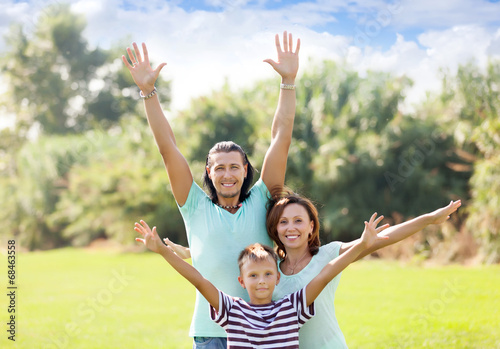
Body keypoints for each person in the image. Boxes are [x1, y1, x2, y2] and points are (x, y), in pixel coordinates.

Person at [122, 31, 300, 348]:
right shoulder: (194, 205)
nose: (227, 174)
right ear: (209, 172)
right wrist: (148, 92)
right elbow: (167, 148)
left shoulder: (261, 198)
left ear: (246, 170)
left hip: (261, 329)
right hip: (210, 334)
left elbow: (281, 139)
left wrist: (287, 83)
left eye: (235, 166)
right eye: (219, 167)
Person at [134, 212, 390, 348]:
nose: (261, 281)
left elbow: (325, 274)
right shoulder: (232, 310)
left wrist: (362, 246)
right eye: (253, 276)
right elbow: (199, 281)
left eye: (268, 274)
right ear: (241, 281)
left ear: (278, 278)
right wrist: (162, 250)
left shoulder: (291, 308)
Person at [266, 193, 462, 348]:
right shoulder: (268, 270)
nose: (290, 227)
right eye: (283, 222)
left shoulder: (328, 254)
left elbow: (385, 237)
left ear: (311, 227)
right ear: (275, 229)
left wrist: (429, 219)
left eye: (298, 221)